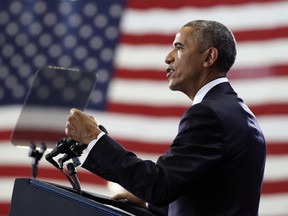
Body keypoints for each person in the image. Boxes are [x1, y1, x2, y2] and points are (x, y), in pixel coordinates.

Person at [65, 20, 266, 216]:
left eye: (179, 47)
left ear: (208, 58)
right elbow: (213, 198)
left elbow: (159, 186)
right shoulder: (235, 111)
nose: (168, 58)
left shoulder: (208, 115)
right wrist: (148, 203)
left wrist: (94, 138)